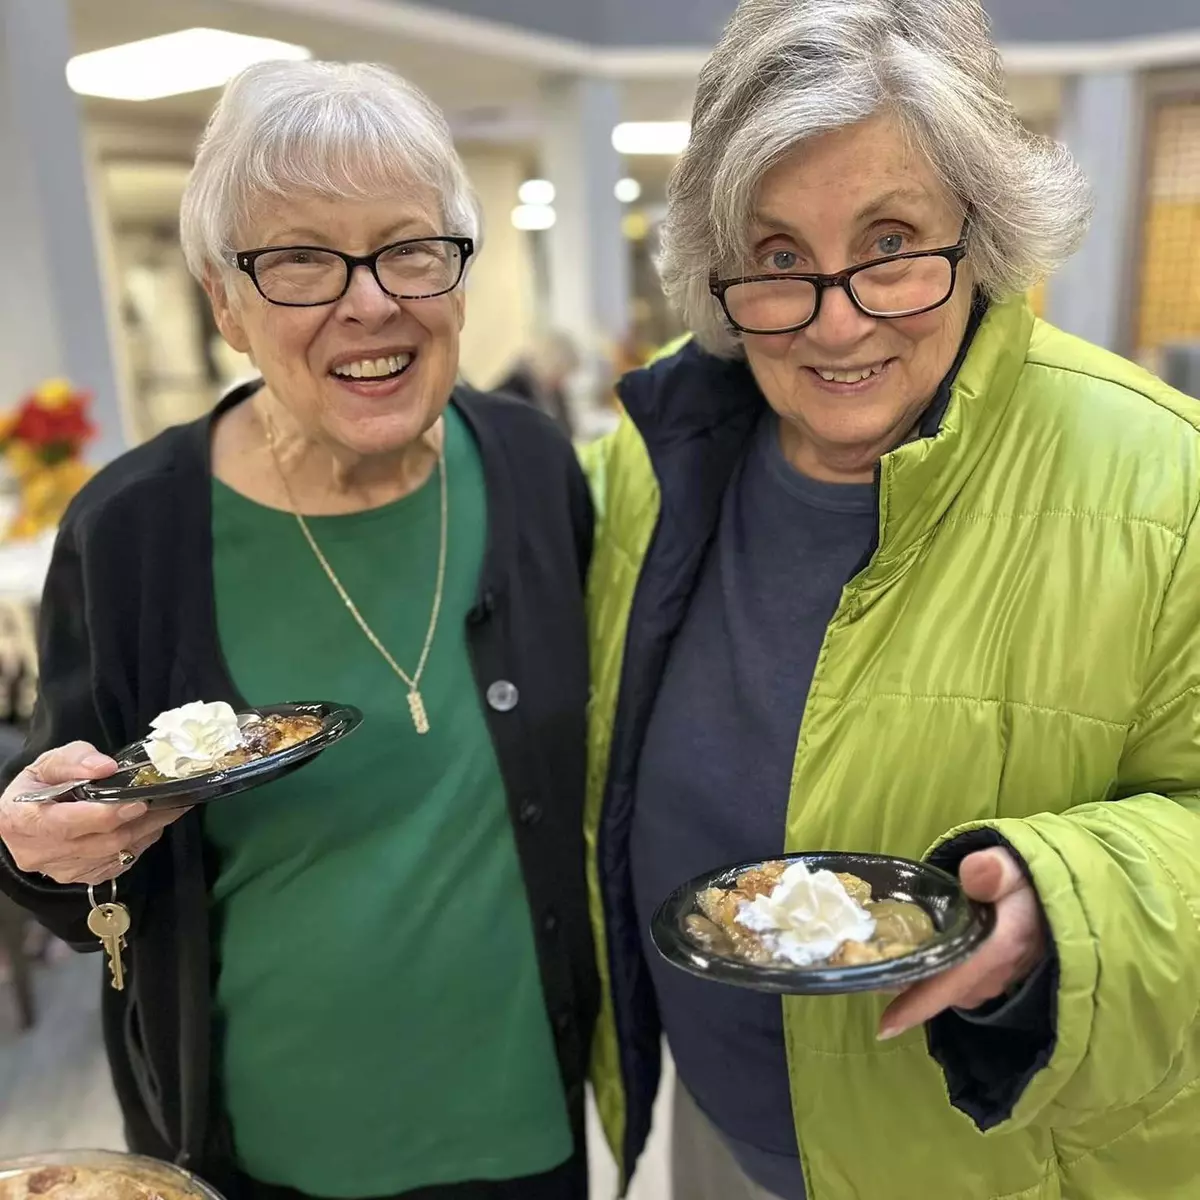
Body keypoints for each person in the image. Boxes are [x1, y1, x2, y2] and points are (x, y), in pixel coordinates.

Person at [583, 1, 1200, 1198]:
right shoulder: (655, 456)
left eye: (891, 242)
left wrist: (1076, 904)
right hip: (713, 1142)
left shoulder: (1168, 484)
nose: (837, 319)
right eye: (778, 258)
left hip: (1001, 1166)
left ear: (982, 231)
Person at [0, 61, 596, 1200]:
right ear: (224, 303)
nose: (369, 303)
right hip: (260, 1153)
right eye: (301, 261)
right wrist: (36, 847)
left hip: (526, 1129)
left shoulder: (532, 468)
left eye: (408, 249)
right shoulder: (132, 531)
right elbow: (65, 848)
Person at [497, 331, 579, 438]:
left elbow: (567, 431)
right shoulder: (514, 391)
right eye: (562, 374)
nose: (562, 382)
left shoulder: (554, 395)